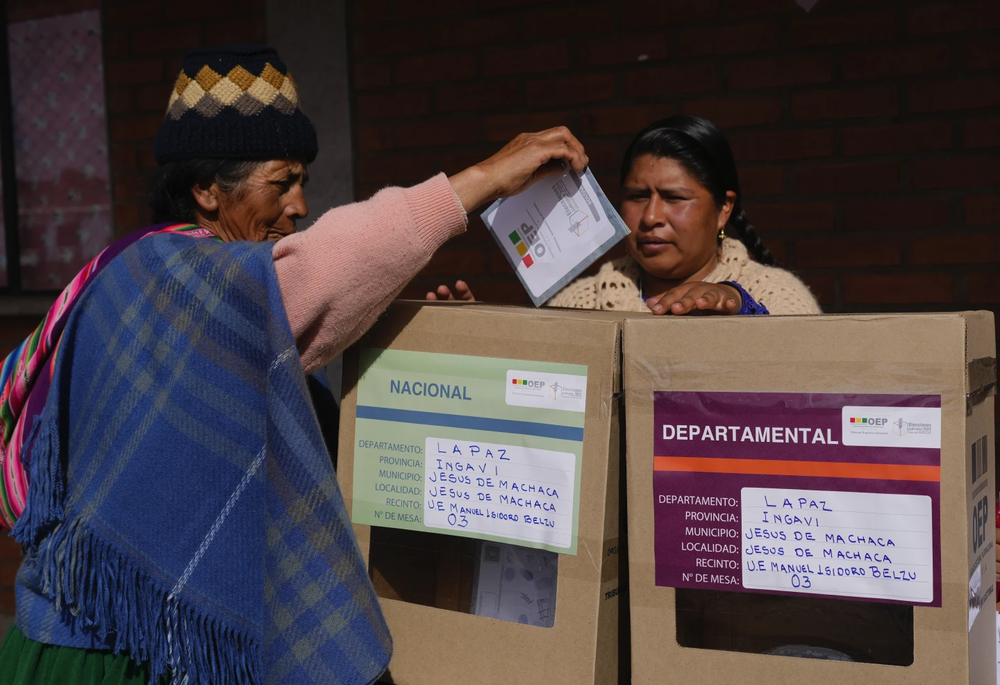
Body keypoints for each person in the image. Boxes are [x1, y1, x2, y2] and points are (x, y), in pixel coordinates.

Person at [0, 44, 589, 685]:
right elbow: (328, 267)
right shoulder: (168, 281)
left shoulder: (137, 274)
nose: (300, 205)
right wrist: (485, 179)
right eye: (281, 182)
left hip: (130, 636)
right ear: (204, 189)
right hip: (117, 655)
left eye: (303, 180)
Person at [430, 115, 821, 317]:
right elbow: (532, 402)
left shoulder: (775, 294)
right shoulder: (583, 302)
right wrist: (474, 337)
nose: (650, 216)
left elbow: (808, 393)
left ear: (723, 209)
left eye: (674, 197)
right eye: (636, 196)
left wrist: (742, 307)